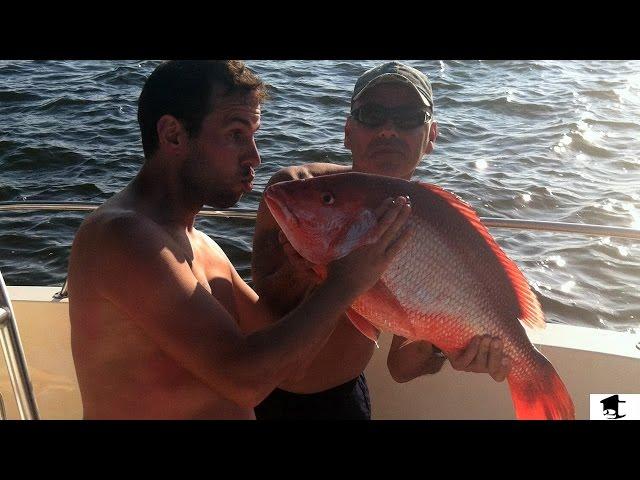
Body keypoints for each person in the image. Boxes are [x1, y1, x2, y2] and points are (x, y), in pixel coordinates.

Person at [66, 60, 412, 419]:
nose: (255, 157)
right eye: (236, 134)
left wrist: (313, 280)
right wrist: (345, 283)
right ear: (173, 135)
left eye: (253, 135)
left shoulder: (202, 245)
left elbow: (293, 370)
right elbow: (245, 380)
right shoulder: (122, 236)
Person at [252, 61, 512, 420]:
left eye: (408, 117)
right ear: (347, 132)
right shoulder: (300, 192)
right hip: (263, 396)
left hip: (346, 402)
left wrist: (448, 348)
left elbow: (401, 368)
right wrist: (304, 274)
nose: (388, 130)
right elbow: (265, 302)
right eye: (371, 115)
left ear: (431, 136)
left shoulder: (432, 222)